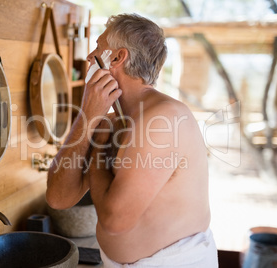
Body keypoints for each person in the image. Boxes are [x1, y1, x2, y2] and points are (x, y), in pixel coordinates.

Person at [46, 13, 218, 267]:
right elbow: (59, 198)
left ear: (117, 57)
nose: (89, 57)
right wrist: (87, 117)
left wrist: (98, 150)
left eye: (98, 47)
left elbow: (116, 221)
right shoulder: (111, 122)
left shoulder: (163, 118)